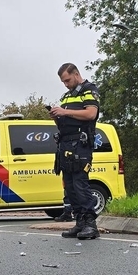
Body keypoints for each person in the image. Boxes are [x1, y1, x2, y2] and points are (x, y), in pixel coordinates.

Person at [50, 63, 100, 240]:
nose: (66, 84)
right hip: (65, 144)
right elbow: (66, 119)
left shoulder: (89, 90)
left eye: (67, 80)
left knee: (80, 184)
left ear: (76, 74)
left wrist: (64, 111)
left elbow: (90, 114)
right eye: (63, 82)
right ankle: (79, 223)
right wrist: (58, 117)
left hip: (81, 144)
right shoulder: (67, 96)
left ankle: (90, 225)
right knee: (69, 186)